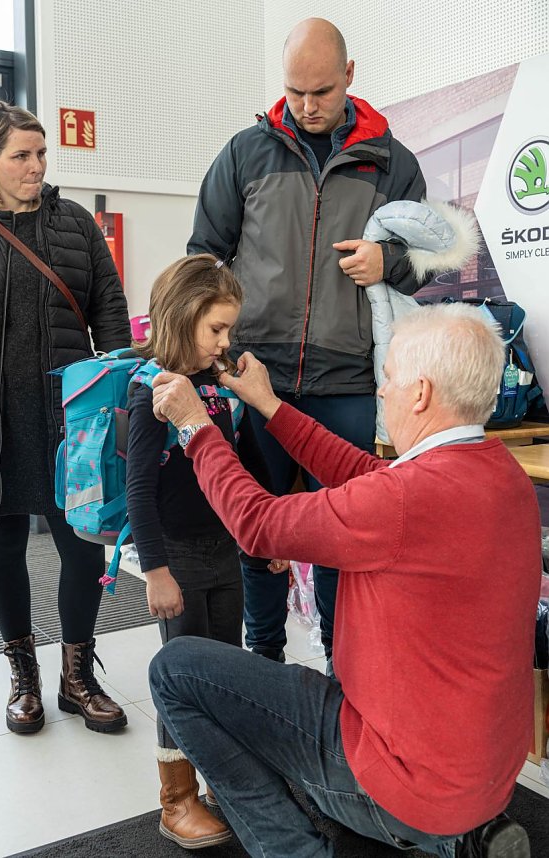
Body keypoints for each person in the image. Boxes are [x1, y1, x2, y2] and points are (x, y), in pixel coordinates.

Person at [148, 303, 538, 858]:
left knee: (174, 670)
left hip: (409, 784)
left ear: (421, 393)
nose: (381, 394)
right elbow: (366, 474)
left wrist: (195, 427)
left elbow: (257, 525)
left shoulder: (404, 500)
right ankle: (455, 834)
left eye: (388, 380)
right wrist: (269, 405)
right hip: (488, 776)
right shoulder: (502, 475)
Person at [188, 17, 434, 665]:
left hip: (346, 384)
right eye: (294, 92)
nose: (306, 106)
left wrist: (389, 264)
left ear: (349, 76)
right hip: (254, 373)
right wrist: (211, 350)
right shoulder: (245, 152)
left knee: (340, 540)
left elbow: (425, 256)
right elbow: (203, 258)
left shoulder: (392, 163)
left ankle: (338, 672)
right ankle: (263, 663)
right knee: (257, 530)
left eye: (320, 92)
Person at [0, 101, 131, 735]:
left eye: (41, 154)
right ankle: (23, 677)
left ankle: (76, 677)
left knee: (79, 543)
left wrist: (121, 400)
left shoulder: (75, 225)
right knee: (5, 544)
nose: (36, 166)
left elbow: (112, 316)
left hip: (73, 424)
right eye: (21, 156)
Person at [125, 254, 286, 849]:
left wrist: (267, 535)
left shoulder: (221, 389)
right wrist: (156, 572)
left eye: (229, 329)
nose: (225, 341)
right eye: (215, 328)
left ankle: (224, 778)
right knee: (181, 679)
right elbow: (140, 494)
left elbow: (247, 466)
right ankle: (177, 798)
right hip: (180, 559)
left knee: (227, 667)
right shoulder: (153, 393)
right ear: (182, 315)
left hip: (226, 551)